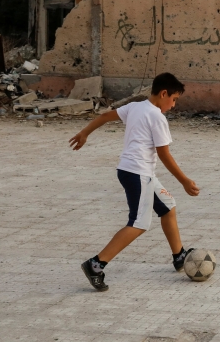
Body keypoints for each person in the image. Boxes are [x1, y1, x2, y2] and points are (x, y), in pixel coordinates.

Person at [69, 72, 200, 291]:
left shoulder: (136, 106)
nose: (174, 105)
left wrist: (84, 133)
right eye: (174, 99)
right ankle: (96, 264)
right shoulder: (157, 117)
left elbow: (104, 116)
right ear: (164, 93)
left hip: (132, 171)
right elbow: (165, 155)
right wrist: (185, 181)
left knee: (168, 208)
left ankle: (179, 256)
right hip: (138, 174)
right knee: (139, 223)